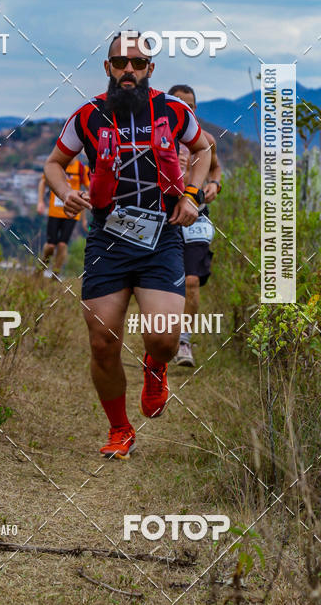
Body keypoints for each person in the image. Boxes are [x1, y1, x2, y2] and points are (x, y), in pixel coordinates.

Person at [44, 32, 211, 458]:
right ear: (108, 68)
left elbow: (203, 149)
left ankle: (155, 368)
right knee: (102, 340)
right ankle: (120, 429)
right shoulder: (88, 115)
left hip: (162, 236)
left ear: (151, 69)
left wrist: (192, 196)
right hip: (108, 238)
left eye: (137, 64)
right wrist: (65, 193)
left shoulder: (173, 110)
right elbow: (54, 164)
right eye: (120, 63)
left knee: (163, 338)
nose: (128, 71)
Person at [168, 85, 222, 367]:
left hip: (197, 215)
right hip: (165, 217)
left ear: (195, 109)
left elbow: (215, 167)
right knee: (166, 283)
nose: (183, 108)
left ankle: (185, 342)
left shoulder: (206, 139)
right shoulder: (158, 137)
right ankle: (163, 339)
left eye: (188, 104)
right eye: (177, 103)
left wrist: (214, 183)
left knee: (191, 280)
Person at [37, 156, 89, 278]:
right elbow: (43, 181)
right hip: (54, 212)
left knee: (62, 244)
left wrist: (84, 219)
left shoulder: (81, 169)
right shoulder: (57, 165)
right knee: (50, 245)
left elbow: (89, 189)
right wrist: (40, 202)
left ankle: (56, 273)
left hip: (72, 213)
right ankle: (42, 266)